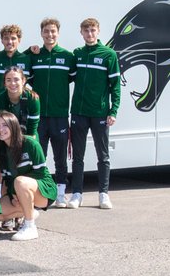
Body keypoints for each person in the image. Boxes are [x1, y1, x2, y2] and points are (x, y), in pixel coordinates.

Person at [69, 17, 121, 210]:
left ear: (98, 31)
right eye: (86, 31)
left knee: (103, 156)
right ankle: (76, 194)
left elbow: (116, 86)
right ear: (81, 33)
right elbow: (67, 76)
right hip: (79, 113)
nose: (89, 34)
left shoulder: (109, 55)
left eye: (92, 30)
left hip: (100, 113)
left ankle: (103, 194)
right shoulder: (78, 54)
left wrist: (113, 110)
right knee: (78, 157)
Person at [27, 17, 75, 207]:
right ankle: (42, 193)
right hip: (39, 117)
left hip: (60, 115)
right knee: (39, 156)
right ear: (41, 33)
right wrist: (29, 50)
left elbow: (71, 79)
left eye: (53, 31)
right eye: (46, 31)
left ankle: (61, 193)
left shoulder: (67, 56)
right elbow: (23, 71)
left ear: (58, 33)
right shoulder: (35, 56)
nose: (50, 35)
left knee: (60, 157)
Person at [0, 110, 54, 242]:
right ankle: (30, 212)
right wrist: (12, 196)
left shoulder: (30, 144)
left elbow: (40, 173)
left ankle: (30, 226)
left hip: (44, 191)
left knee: (20, 181)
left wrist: (18, 190)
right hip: (19, 191)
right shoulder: (0, 150)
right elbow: (7, 180)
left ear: (13, 126)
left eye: (5, 125)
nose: (1, 129)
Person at [0, 65, 41, 137]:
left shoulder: (33, 99)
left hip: (28, 136)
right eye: (8, 80)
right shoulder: (0, 99)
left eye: (16, 79)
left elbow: (32, 130)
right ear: (4, 83)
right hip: (6, 137)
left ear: (23, 81)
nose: (12, 83)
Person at [0, 24, 31, 91]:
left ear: (19, 40)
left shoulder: (27, 60)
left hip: (19, 101)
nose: (10, 42)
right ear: (2, 40)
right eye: (6, 38)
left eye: (13, 38)